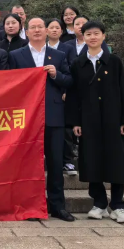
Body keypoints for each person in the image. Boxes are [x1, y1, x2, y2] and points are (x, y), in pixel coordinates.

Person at [67, 21, 124, 224]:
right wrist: (75, 122)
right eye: (88, 34)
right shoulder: (78, 63)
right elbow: (73, 95)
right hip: (88, 120)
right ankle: (99, 203)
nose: (92, 37)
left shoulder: (114, 61)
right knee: (92, 160)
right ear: (83, 37)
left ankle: (118, 205)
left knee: (117, 161)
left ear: (103, 36)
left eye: (96, 33)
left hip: (113, 119)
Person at [9, 17, 74, 222]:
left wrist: (55, 75)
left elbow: (70, 80)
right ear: (26, 32)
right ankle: (29, 206)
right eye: (33, 27)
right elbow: (10, 84)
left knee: (55, 163)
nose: (37, 30)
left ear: (46, 31)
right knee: (27, 165)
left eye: (40, 27)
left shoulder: (58, 55)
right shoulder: (16, 55)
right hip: (26, 118)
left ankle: (58, 207)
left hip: (53, 116)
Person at [47, 17, 77, 176]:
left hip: (62, 94)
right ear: (46, 31)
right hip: (44, 97)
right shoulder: (41, 49)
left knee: (65, 130)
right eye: (51, 27)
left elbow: (70, 71)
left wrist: (66, 91)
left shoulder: (68, 48)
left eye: (57, 28)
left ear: (62, 31)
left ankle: (67, 160)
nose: (54, 30)